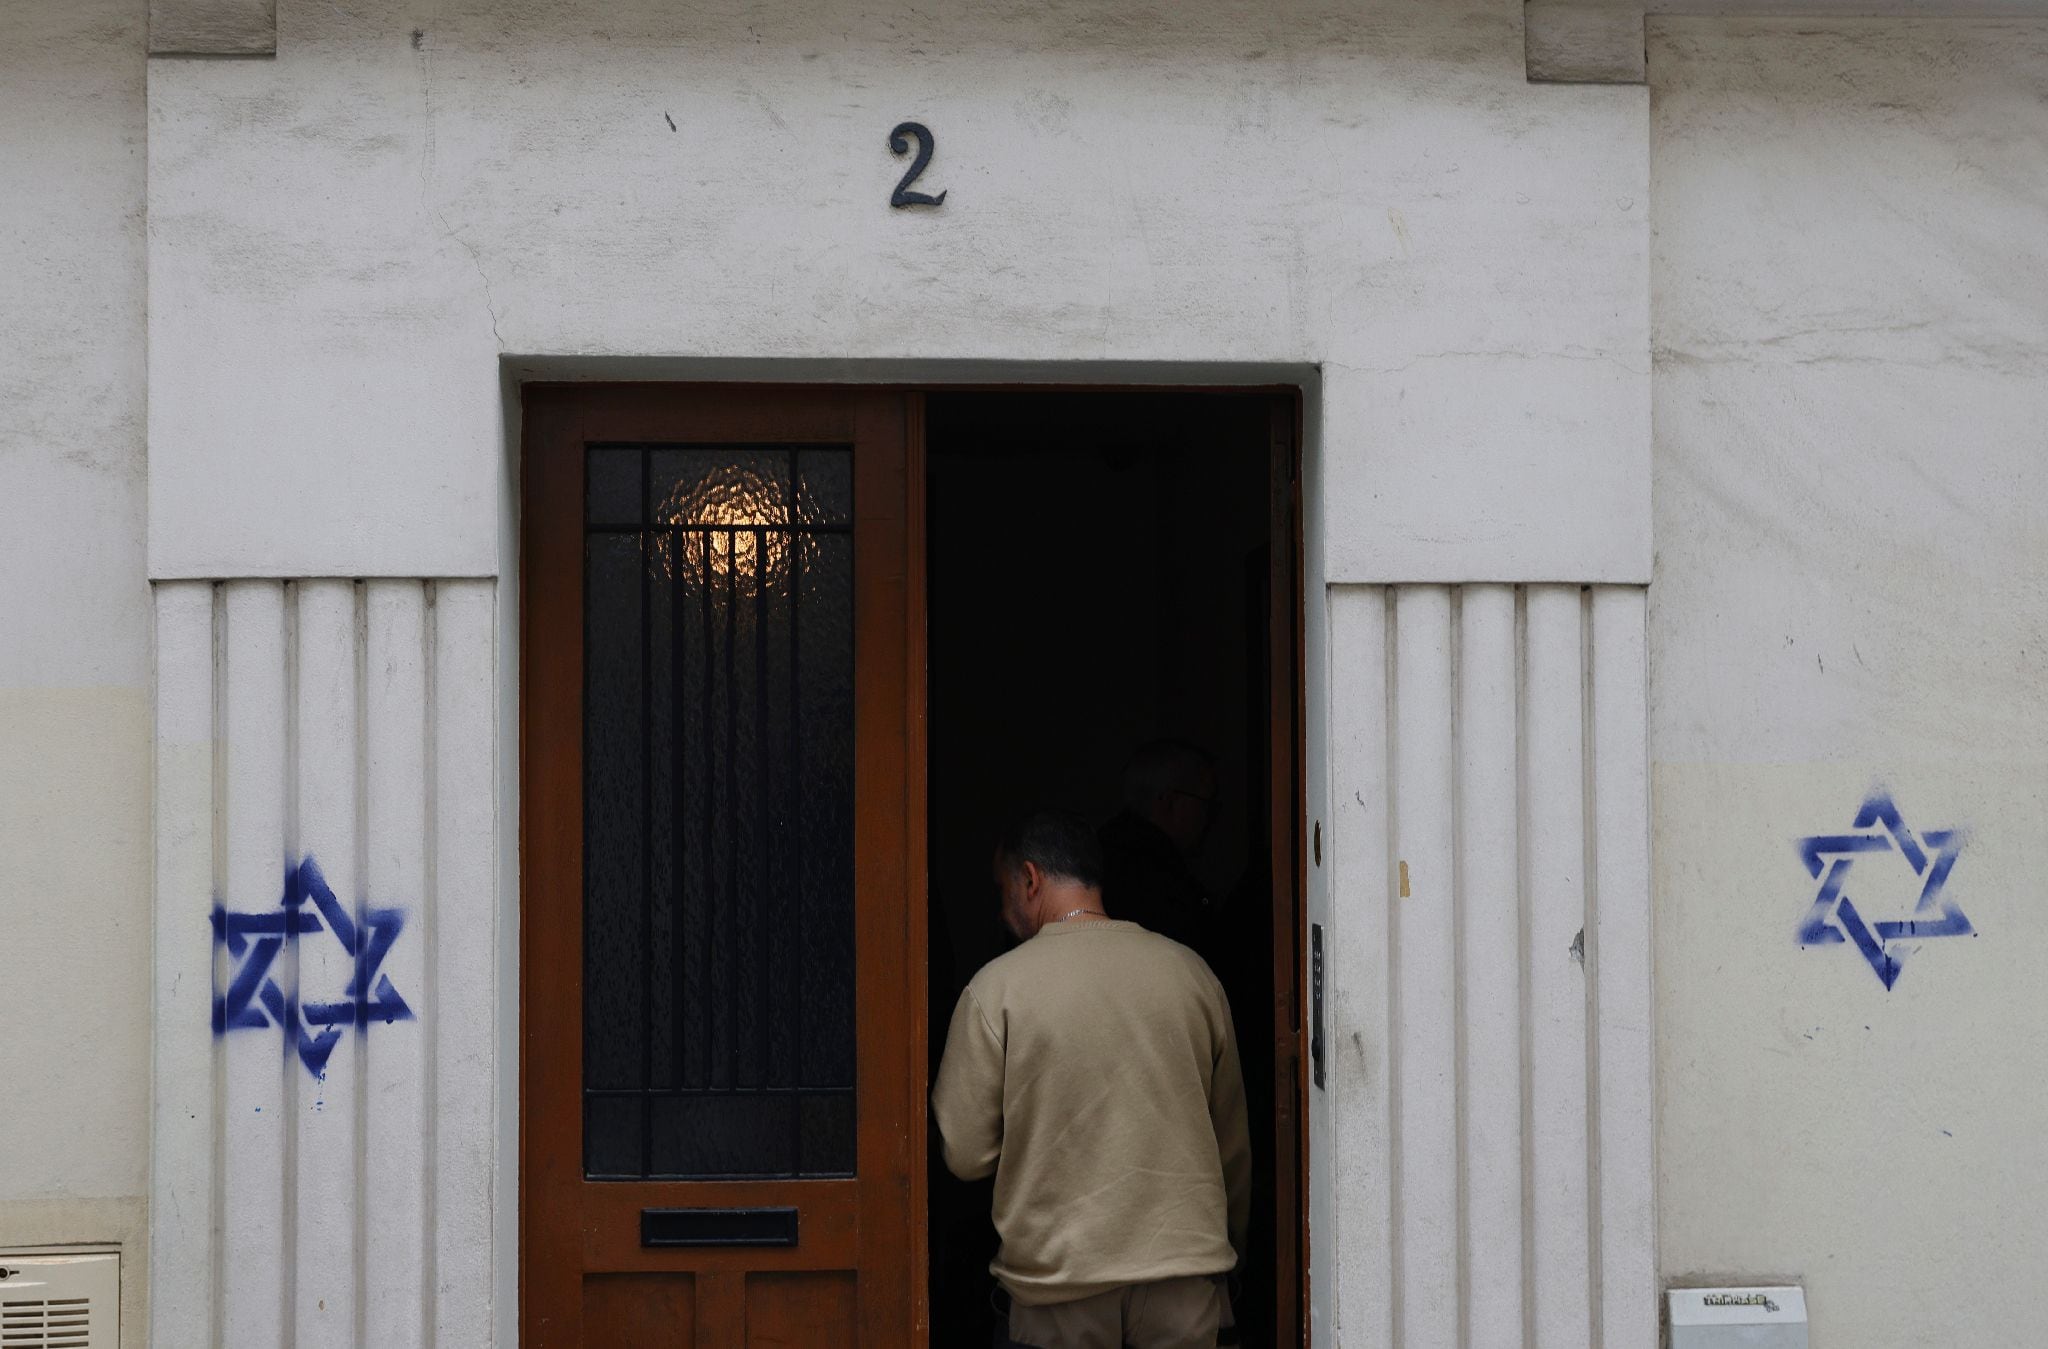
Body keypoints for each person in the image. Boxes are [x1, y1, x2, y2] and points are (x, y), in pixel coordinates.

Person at [932, 810, 1251, 1349]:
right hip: (1184, 1282)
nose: (1001, 904)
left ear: (1029, 879)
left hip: (1058, 1291)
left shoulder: (996, 989)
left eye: (1001, 886)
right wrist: (1232, 1255)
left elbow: (965, 1154)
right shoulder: (1192, 975)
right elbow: (1232, 1148)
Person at [1099, 739, 1220, 958]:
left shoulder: (1101, 853)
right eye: (1204, 803)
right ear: (1168, 800)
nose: (1209, 818)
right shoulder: (1158, 878)